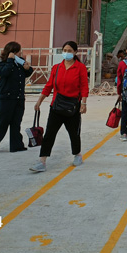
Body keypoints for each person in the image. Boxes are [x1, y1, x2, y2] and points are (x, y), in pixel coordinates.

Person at [30, 41, 88, 172]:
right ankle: (42, 161)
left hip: (73, 107)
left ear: (75, 52)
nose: (66, 53)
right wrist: (39, 101)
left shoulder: (80, 68)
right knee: (50, 133)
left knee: (74, 133)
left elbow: (84, 86)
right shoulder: (56, 68)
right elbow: (49, 86)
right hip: (56, 106)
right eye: (65, 50)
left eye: (69, 50)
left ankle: (77, 154)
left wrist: (83, 103)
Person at [0, 41, 33, 154]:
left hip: (18, 97)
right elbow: (5, 73)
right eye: (18, 52)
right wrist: (10, 60)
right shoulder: (3, 63)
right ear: (11, 52)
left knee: (16, 122)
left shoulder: (20, 63)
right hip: (6, 98)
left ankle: (16, 145)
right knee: (2, 122)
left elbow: (28, 72)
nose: (19, 54)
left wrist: (28, 68)